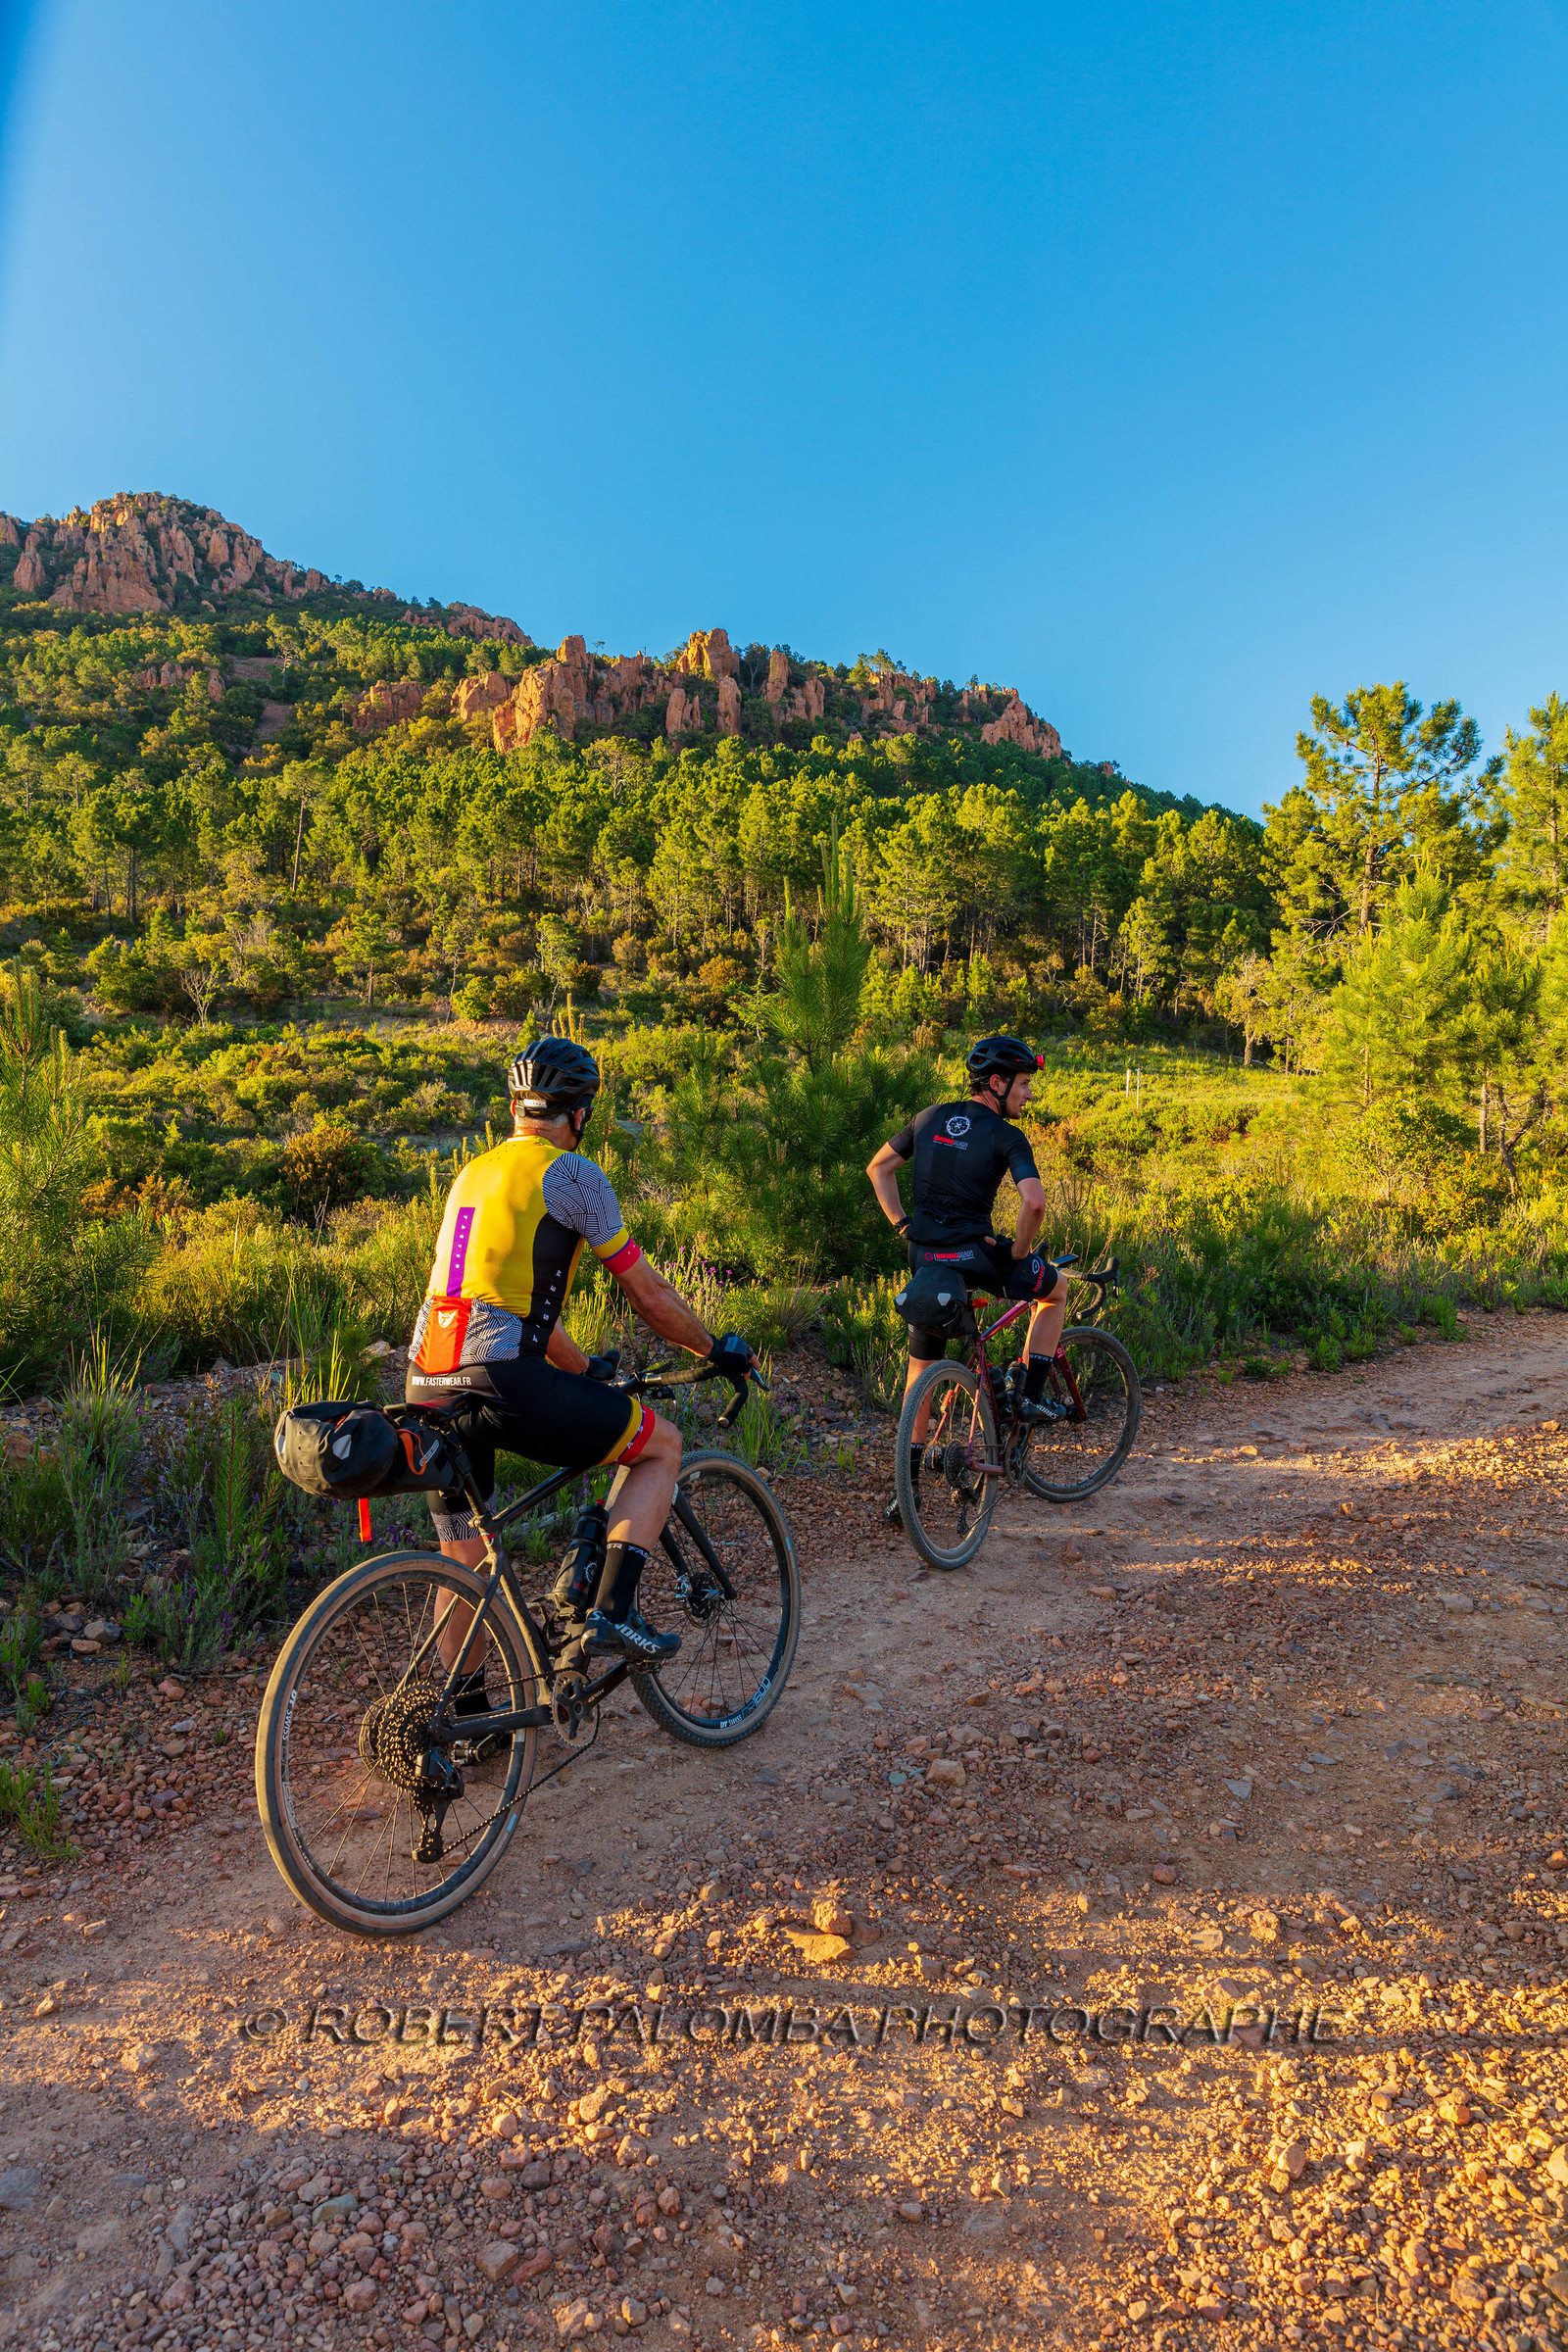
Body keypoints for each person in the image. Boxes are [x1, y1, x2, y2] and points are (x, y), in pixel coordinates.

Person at [406, 1034, 756, 1678]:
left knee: (464, 1562)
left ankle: (462, 1719)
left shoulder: (472, 1173)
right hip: (503, 1380)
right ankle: (613, 1612)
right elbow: (648, 1293)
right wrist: (716, 1348)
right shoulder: (571, 1173)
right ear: (580, 1113)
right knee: (661, 1445)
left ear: (518, 1108)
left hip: (430, 1379)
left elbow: (496, 1299)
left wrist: (584, 1367)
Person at [865, 1034, 1069, 1519]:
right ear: (996, 1083)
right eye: (1023, 1084)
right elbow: (1035, 1203)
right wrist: (1018, 1253)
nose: (1028, 1094)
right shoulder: (1006, 1135)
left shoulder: (928, 1117)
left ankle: (906, 1495)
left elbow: (878, 1168)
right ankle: (1031, 1398)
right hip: (977, 1256)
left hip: (925, 1259)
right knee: (1056, 1291)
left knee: (920, 1374)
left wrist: (901, 1225)